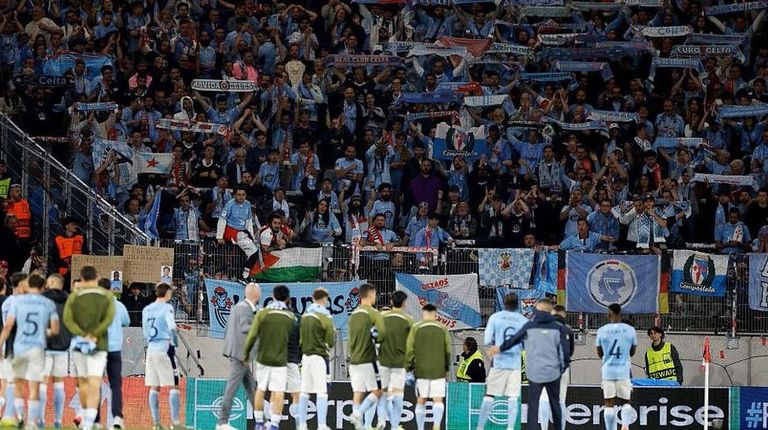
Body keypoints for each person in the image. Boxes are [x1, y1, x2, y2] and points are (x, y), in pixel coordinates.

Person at [488, 298, 570, 430]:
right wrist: (562, 368)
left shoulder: (530, 326)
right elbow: (565, 352)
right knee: (556, 403)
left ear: (539, 310)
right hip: (553, 371)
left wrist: (499, 348)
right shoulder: (559, 328)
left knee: (534, 404)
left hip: (536, 371)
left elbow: (514, 340)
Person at [0, 274, 58, 428]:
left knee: (17, 383)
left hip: (19, 347)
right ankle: (31, 422)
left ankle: (19, 416)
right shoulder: (48, 303)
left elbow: (8, 325)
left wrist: (0, 342)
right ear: (42, 287)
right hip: (37, 349)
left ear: (28, 284)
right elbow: (55, 329)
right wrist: (44, 333)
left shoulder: (17, 302)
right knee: (34, 387)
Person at [63, 266, 115, 430]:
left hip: (78, 346)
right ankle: (89, 422)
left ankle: (82, 414)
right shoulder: (104, 297)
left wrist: (81, 334)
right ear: (95, 277)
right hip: (98, 346)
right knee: (95, 384)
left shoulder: (74, 298)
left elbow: (68, 320)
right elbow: (109, 318)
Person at [243, 285, 296, 430]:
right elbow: (294, 341)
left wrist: (246, 354)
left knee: (260, 388)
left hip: (263, 357)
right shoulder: (290, 317)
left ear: (273, 297)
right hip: (281, 359)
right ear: (287, 298)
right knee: (278, 391)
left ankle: (259, 422)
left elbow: (252, 335)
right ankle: (274, 423)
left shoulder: (262, 313)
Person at [478, 293, 528, 430]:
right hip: (515, 364)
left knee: (489, 395)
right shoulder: (523, 320)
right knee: (513, 397)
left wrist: (497, 345)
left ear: (503, 303)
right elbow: (526, 344)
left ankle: (480, 427)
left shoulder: (495, 318)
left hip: (499, 363)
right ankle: (510, 428)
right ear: (517, 304)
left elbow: (487, 340)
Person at [217, 283, 261, 430]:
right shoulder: (245, 309)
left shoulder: (239, 307)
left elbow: (228, 329)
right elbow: (244, 328)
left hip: (239, 353)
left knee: (251, 388)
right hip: (240, 355)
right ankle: (222, 422)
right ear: (256, 295)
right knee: (232, 388)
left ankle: (262, 421)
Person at [142, 282, 182, 430]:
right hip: (164, 347)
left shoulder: (147, 309)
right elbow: (172, 326)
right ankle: (175, 423)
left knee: (154, 386)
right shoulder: (167, 307)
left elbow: (145, 331)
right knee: (174, 384)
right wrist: (175, 343)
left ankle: (156, 423)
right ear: (167, 293)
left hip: (151, 349)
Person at [347, 283, 386, 430]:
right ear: (369, 296)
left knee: (358, 392)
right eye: (375, 295)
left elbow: (351, 340)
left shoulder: (353, 315)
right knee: (378, 390)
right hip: (369, 360)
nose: (375, 298)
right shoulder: (373, 313)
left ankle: (360, 427)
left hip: (354, 360)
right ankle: (361, 415)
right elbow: (382, 335)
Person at [405, 303, 451, 430]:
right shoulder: (442, 328)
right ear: (435, 314)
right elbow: (447, 350)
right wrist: (446, 367)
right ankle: (436, 425)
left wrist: (408, 368)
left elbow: (409, 350)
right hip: (438, 369)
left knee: (421, 399)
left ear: (423, 313)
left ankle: (421, 428)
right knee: (438, 399)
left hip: (421, 370)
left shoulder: (416, 327)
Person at [296, 288, 336, 430]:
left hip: (306, 357)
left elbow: (300, 338)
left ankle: (302, 424)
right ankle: (321, 425)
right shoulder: (326, 316)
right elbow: (331, 340)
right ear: (324, 299)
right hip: (320, 357)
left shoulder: (305, 316)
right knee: (322, 391)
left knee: (305, 390)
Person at [596, 304, 637, 430]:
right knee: (626, 401)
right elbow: (632, 352)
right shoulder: (630, 330)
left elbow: (599, 353)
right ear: (620, 313)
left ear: (609, 314)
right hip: (623, 370)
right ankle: (625, 426)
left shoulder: (602, 330)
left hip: (608, 371)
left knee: (609, 403)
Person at [96, 277, 130, 430]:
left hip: (97, 349)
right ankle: (117, 417)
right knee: (115, 385)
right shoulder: (119, 305)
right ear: (111, 289)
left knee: (95, 384)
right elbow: (126, 322)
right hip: (114, 349)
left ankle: (96, 420)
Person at [377, 291, 413, 430]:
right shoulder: (408, 320)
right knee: (398, 397)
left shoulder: (382, 319)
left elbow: (376, 339)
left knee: (383, 394)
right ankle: (394, 426)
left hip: (383, 362)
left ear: (391, 301)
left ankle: (381, 421)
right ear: (404, 303)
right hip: (399, 365)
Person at [41, 274, 73, 430]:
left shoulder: (42, 299)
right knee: (59, 385)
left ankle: (39, 419)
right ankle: (58, 420)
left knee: (42, 385)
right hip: (62, 347)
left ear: (52, 282)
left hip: (45, 346)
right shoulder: (69, 301)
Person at [538, 305, 575, 430]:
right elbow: (570, 351)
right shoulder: (568, 329)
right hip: (562, 367)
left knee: (544, 398)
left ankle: (544, 428)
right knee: (560, 401)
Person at [216, 186, 259, 279]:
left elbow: (248, 221)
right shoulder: (229, 204)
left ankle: (245, 273)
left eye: (243, 195)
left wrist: (252, 237)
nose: (241, 197)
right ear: (234, 195)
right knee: (253, 251)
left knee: (254, 251)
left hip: (243, 232)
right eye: (239, 195)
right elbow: (222, 219)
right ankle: (245, 274)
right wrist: (219, 236)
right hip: (232, 232)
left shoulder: (248, 204)